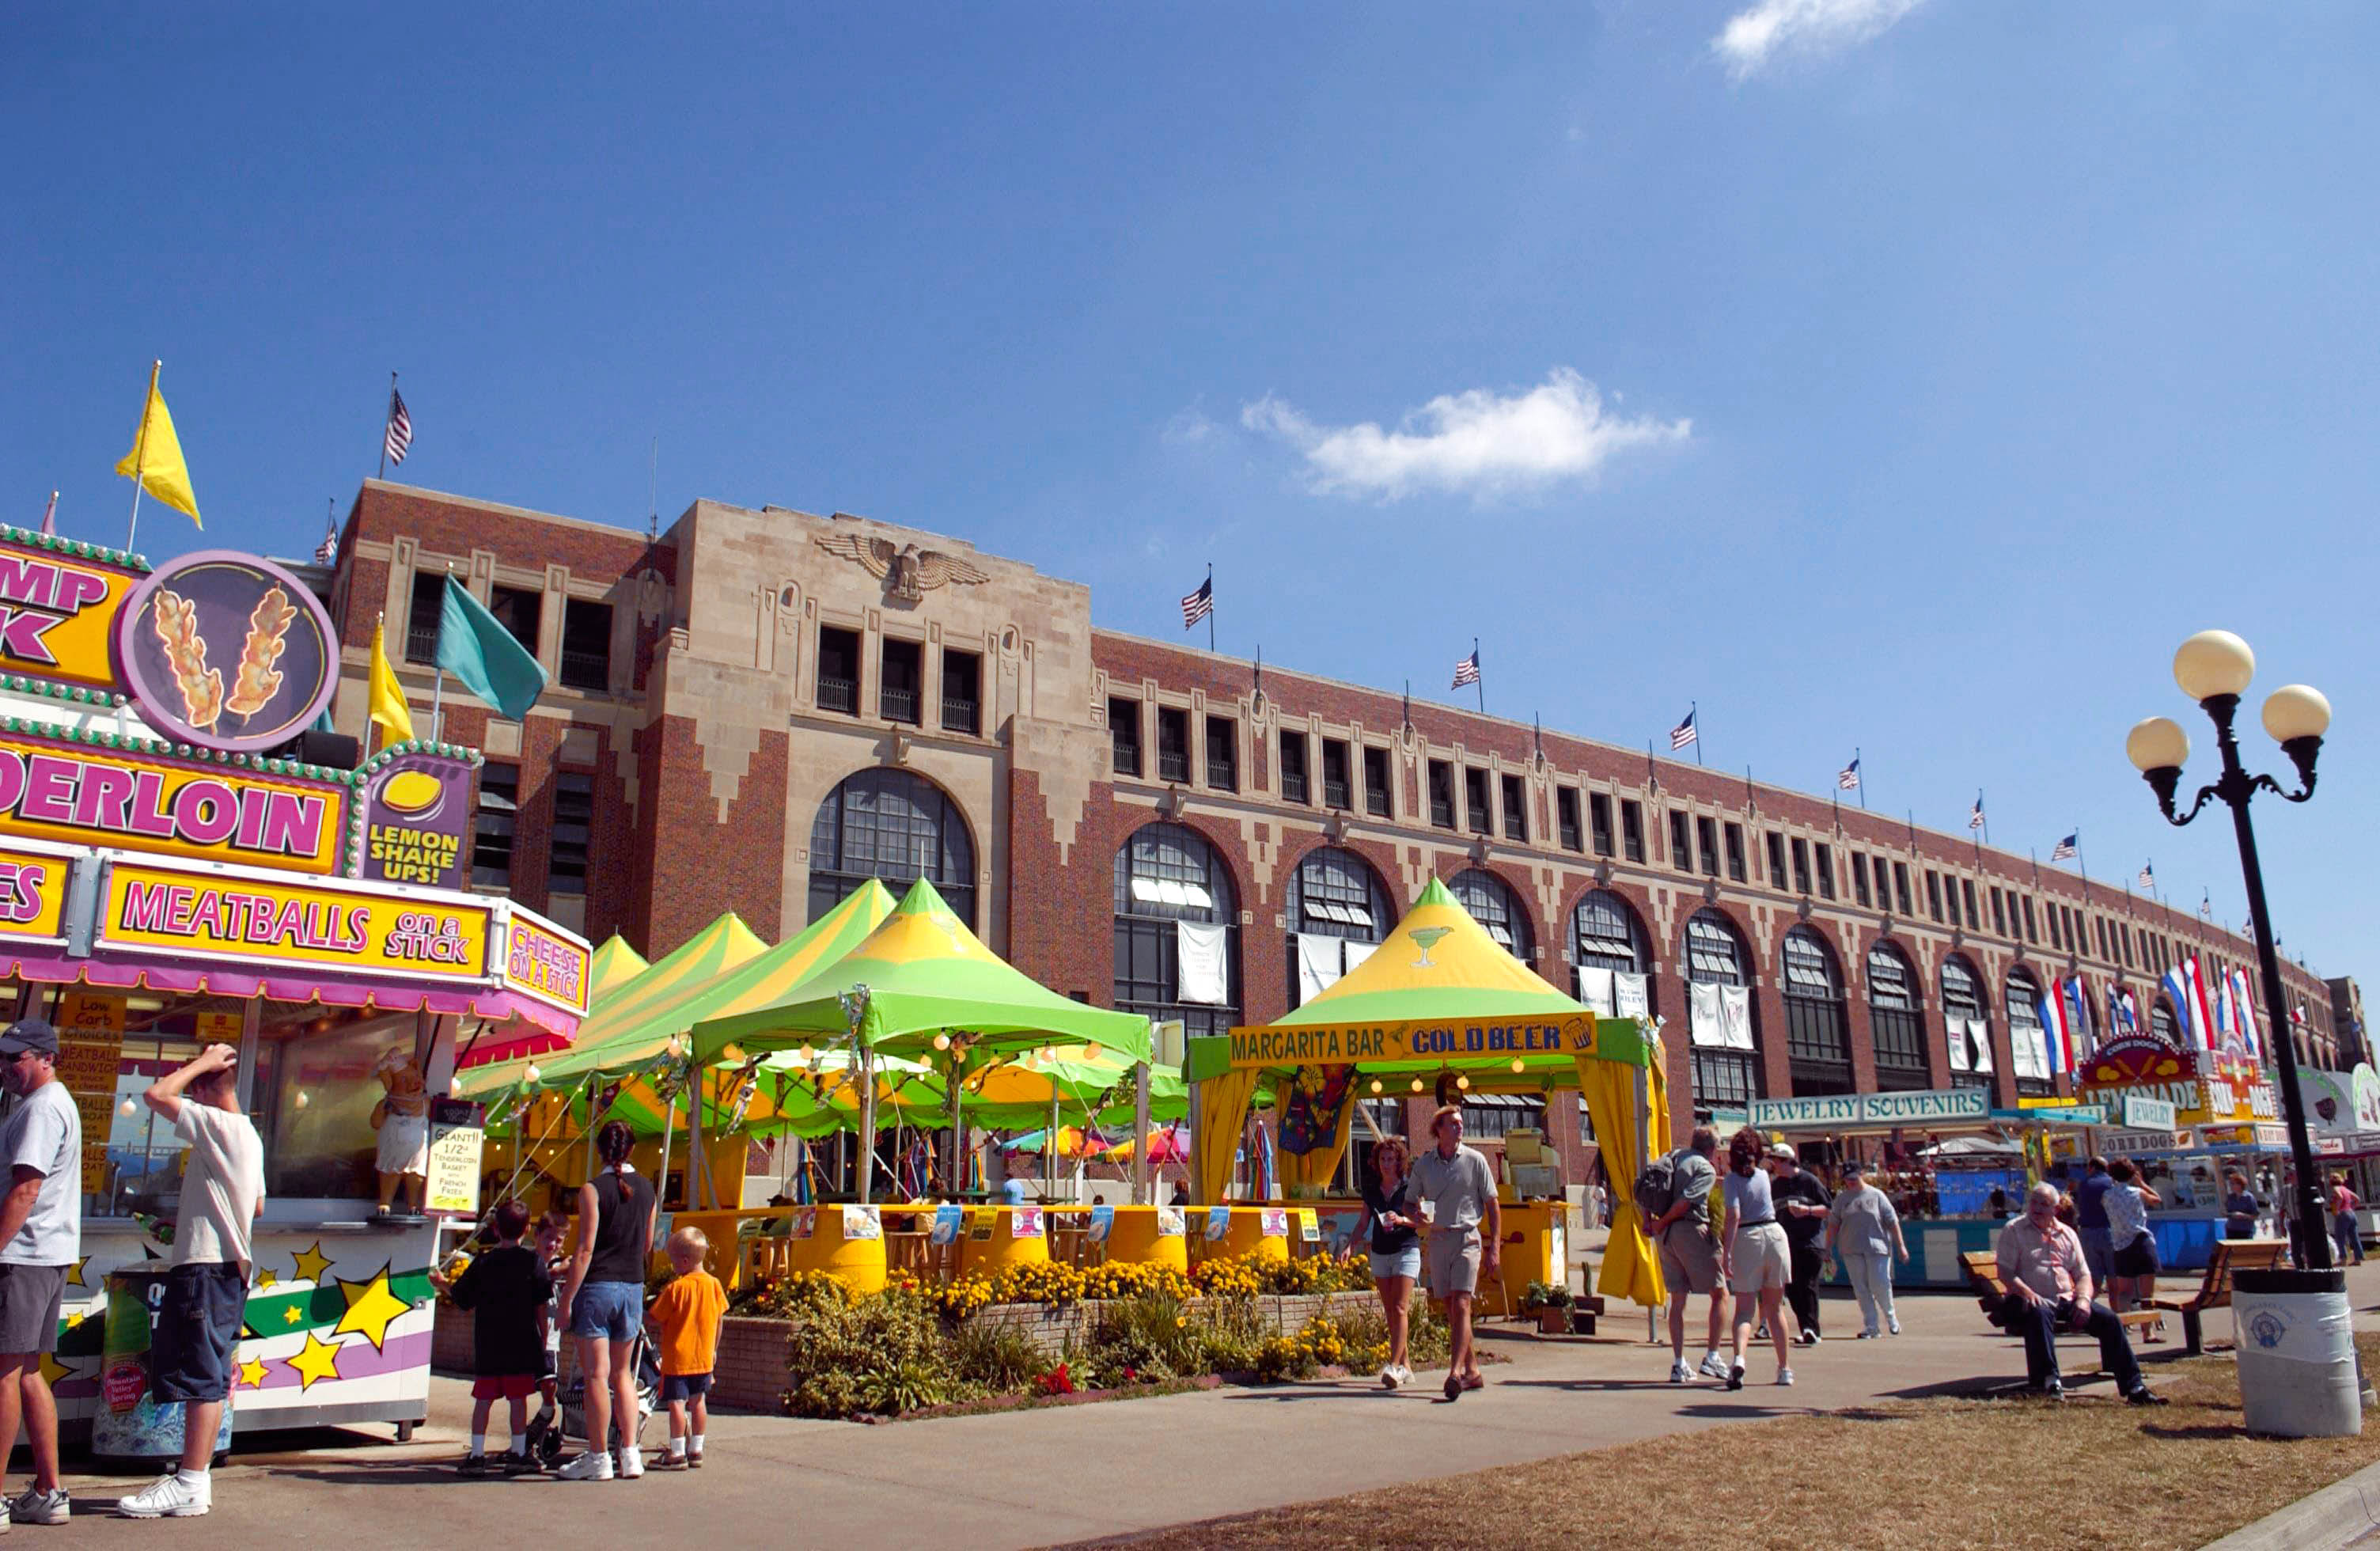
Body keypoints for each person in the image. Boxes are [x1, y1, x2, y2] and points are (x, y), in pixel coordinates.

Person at [111, 1042, 265, 1522]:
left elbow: (157, 1095)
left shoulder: (217, 1124)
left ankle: (190, 1480)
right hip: (226, 1265)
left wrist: (198, 1065)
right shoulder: (248, 1135)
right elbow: (256, 1205)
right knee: (211, 1375)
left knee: (200, 1376)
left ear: (202, 1087)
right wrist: (198, 1216)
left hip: (207, 1265)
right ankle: (193, 1479)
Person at [0, 1019, 78, 1527]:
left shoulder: (43, 1108)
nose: (6, 1067)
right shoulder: (45, 1104)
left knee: (3, 1373)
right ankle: (50, 1492)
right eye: (3, 1059)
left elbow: (25, 1190)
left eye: (16, 1058)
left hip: (23, 1255)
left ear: (45, 1058)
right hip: (44, 1253)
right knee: (27, 1372)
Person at [1995, 1182, 2165, 1405]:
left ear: (2055, 1209)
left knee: (2110, 1320)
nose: (2036, 1208)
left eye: (2043, 1204)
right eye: (2033, 1202)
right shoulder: (2014, 1230)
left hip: (2067, 1299)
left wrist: (2084, 1300)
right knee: (2039, 1313)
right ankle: (2050, 1381)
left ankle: (2135, 1387)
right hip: (2029, 1301)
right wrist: (2027, 1293)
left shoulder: (2068, 1234)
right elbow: (2005, 1272)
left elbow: (2083, 1274)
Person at [556, 1120, 655, 1481]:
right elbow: (647, 1244)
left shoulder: (592, 1189)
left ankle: (598, 1457)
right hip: (632, 1286)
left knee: (596, 1376)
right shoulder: (647, 1189)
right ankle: (630, 1454)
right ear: (631, 1149)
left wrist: (567, 1300)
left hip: (598, 1285)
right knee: (623, 1375)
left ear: (600, 1150)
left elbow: (585, 1249)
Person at [430, 1199, 551, 1477]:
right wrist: (543, 1337)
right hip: (521, 1343)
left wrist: (441, 1283)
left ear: (496, 1229)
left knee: (483, 1400)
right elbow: (541, 1304)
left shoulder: (484, 1261)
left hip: (488, 1343)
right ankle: (519, 1452)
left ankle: (476, 1454)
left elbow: (462, 1298)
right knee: (518, 1399)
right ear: (527, 1229)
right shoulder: (532, 1261)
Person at [1408, 1106, 1499, 1402]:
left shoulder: (1476, 1161)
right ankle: (1473, 1371)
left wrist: (1493, 1246)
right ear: (1439, 1130)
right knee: (1451, 1309)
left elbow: (1493, 1206)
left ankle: (1455, 1372)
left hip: (1467, 1239)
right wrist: (1416, 1215)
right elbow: (1409, 1202)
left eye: (1461, 1123)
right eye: (1453, 1124)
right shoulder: (1424, 1165)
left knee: (1462, 1303)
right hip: (1438, 1238)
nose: (1460, 1128)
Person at [1642, 1125, 1729, 1384]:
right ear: (1712, 1149)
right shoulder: (1704, 1169)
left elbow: (1643, 1189)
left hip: (1665, 1237)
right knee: (1719, 1292)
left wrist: (1652, 1222)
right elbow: (1687, 1202)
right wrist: (1663, 1222)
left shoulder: (1670, 1158)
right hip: (1689, 1228)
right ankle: (1712, 1355)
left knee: (1677, 1299)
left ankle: (1679, 1362)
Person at [648, 1227, 729, 1468]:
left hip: (677, 1358)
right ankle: (697, 1448)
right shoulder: (714, 1285)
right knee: (699, 1402)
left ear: (684, 1261)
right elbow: (719, 1320)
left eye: (674, 1262)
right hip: (703, 1357)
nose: (673, 1267)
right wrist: (714, 1349)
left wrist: (640, 1314)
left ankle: (676, 1452)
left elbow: (656, 1316)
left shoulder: (677, 1288)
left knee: (676, 1404)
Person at [1720, 1129, 1792, 1389]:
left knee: (1744, 1311)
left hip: (1748, 1238)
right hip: (1774, 1235)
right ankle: (1784, 1368)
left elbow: (1734, 1215)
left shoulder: (1731, 1181)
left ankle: (1739, 1358)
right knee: (1774, 1310)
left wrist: (1726, 1252)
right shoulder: (1764, 1176)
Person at [1359, 1137, 1420, 1390]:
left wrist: (1402, 1220)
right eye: (1382, 1159)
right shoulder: (1372, 1189)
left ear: (1399, 1162)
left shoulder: (1409, 1188)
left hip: (1406, 1250)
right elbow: (1364, 1222)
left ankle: (1394, 1366)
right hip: (1381, 1252)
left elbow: (1422, 1220)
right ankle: (1406, 1366)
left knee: (1399, 1308)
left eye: (1391, 1159)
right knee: (1390, 1312)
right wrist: (1351, 1244)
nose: (1386, 1164)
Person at [1822, 1161, 1907, 1338]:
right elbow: (1833, 1225)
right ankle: (1871, 1326)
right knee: (1860, 1288)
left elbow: (1892, 1221)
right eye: (1847, 1179)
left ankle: (1891, 1318)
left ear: (1861, 1174)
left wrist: (1901, 1246)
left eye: (1854, 1178)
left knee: (1880, 1283)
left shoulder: (1876, 1195)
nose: (1850, 1182)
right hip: (1851, 1248)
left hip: (1877, 1247)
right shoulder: (1842, 1199)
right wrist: (1827, 1248)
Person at [1767, 1143, 1831, 1347]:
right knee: (1793, 1289)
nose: (1773, 1164)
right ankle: (1806, 1327)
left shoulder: (1809, 1181)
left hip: (1810, 1242)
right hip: (1785, 1244)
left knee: (1808, 1285)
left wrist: (1807, 1210)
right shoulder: (1775, 1185)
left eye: (1776, 1160)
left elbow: (1828, 1209)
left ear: (1786, 1160)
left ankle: (1812, 1329)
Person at [2103, 1159, 2162, 1318]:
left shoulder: (2107, 1196)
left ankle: (2124, 1323)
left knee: (2124, 1291)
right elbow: (2157, 1200)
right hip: (2141, 1241)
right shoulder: (2137, 1193)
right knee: (2147, 1293)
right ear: (2131, 1174)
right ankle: (2148, 1332)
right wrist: (2142, 1184)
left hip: (2121, 1245)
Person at [2071, 1155, 2115, 1291]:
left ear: (2092, 1168)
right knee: (2114, 1281)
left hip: (2087, 1233)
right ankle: (2118, 1310)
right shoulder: (2112, 1183)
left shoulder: (2083, 1185)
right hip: (2109, 1231)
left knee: (2094, 1281)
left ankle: (2085, 1307)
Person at [2331, 1174, 2365, 1265]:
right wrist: (2352, 1207)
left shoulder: (2336, 1189)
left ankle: (2343, 1258)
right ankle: (2358, 1258)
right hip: (2351, 1213)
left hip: (2343, 1214)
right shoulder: (2345, 1189)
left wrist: (2337, 1209)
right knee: (2354, 1236)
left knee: (2340, 1237)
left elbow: (2340, 1197)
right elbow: (2357, 1198)